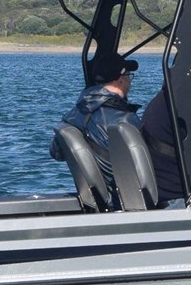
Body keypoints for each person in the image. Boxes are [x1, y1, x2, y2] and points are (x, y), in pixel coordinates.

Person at [50, 53, 141, 200]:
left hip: (97, 197)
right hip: (125, 197)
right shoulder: (126, 120)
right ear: (121, 79)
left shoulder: (73, 114)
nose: (130, 81)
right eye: (129, 76)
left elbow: (56, 153)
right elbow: (146, 164)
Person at [140, 49, 191, 206]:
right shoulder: (182, 107)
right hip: (177, 196)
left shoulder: (166, 98)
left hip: (164, 189)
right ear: (186, 72)